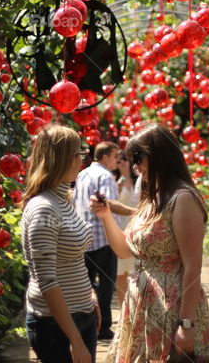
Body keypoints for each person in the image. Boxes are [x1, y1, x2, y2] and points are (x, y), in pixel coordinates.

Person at [90, 124, 209, 362]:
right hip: (142, 305)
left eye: (138, 158)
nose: (135, 166)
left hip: (172, 307)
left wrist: (186, 323)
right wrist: (106, 215)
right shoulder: (153, 198)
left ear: (159, 155)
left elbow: (192, 266)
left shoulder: (183, 198)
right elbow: (125, 250)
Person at [20, 126, 99, 363]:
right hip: (56, 325)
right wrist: (75, 339)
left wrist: (89, 295)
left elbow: (72, 259)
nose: (82, 161)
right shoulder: (44, 207)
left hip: (80, 315)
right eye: (79, 154)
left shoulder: (63, 200)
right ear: (62, 158)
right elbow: (47, 279)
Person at [74, 141, 121, 340]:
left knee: (86, 285)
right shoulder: (105, 176)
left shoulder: (82, 174)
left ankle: (86, 324)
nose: (117, 160)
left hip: (84, 236)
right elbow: (107, 205)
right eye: (114, 156)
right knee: (106, 285)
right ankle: (103, 327)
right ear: (104, 157)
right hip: (104, 238)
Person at [113, 149, 141, 306]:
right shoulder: (114, 179)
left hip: (136, 226)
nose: (122, 162)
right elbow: (111, 202)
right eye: (118, 160)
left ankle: (135, 307)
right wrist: (118, 186)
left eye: (124, 159)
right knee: (121, 273)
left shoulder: (139, 179)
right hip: (121, 228)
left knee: (135, 271)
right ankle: (122, 307)